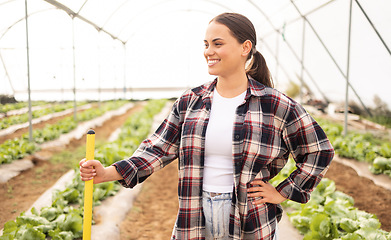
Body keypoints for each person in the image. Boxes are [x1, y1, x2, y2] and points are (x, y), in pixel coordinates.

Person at [79, 12, 334, 240]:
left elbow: (319, 150)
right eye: (206, 44)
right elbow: (157, 149)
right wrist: (109, 173)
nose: (208, 51)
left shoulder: (275, 104)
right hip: (195, 214)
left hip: (251, 218)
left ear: (245, 47)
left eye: (218, 44)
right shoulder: (192, 101)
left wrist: (284, 191)